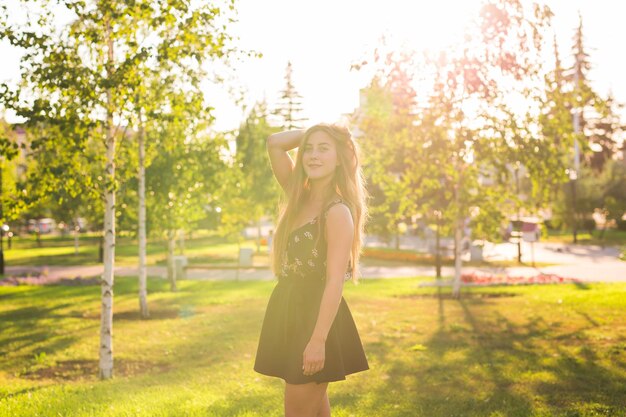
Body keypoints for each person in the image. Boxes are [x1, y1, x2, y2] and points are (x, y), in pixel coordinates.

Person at [254, 123, 370, 416]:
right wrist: (319, 129)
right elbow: (275, 143)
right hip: (290, 310)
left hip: (317, 319)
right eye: (308, 148)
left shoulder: (337, 212)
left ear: (340, 158)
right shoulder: (298, 195)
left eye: (323, 148)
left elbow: (334, 282)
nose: (313, 156)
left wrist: (318, 341)